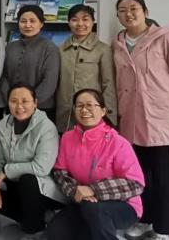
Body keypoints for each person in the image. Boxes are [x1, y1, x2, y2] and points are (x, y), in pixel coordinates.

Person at [112, 0, 169, 240]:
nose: (128, 14)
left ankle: (163, 229)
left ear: (145, 11)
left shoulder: (164, 37)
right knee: (138, 175)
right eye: (122, 10)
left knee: (164, 176)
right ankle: (144, 220)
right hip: (130, 118)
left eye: (133, 8)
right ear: (117, 16)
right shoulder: (118, 43)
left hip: (159, 118)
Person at [47, 89, 145, 240]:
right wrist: (77, 192)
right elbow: (60, 172)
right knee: (56, 231)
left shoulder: (118, 142)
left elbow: (136, 184)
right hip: (83, 203)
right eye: (79, 105)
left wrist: (93, 190)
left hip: (123, 205)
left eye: (90, 105)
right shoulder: (67, 138)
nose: (84, 110)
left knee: (93, 211)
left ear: (103, 111)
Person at [0, 83, 64, 239]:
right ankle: (37, 217)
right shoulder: (3, 124)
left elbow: (42, 167)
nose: (19, 106)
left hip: (40, 187)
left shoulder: (46, 127)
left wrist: (6, 171)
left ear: (35, 103)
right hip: (14, 183)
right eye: (13, 101)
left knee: (27, 180)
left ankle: (34, 228)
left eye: (25, 101)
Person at [56, 4, 116, 133]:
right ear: (68, 23)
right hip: (65, 115)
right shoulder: (60, 50)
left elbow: (108, 84)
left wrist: (110, 117)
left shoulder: (103, 49)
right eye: (74, 19)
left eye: (85, 19)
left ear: (92, 22)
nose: (80, 24)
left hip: (92, 113)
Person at [1, 4, 60, 121]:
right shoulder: (10, 47)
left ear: (41, 24)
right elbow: (4, 77)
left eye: (32, 21)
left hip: (41, 107)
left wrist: (29, 103)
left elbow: (49, 82)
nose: (27, 25)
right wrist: (11, 99)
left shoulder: (49, 47)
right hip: (14, 107)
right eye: (23, 21)